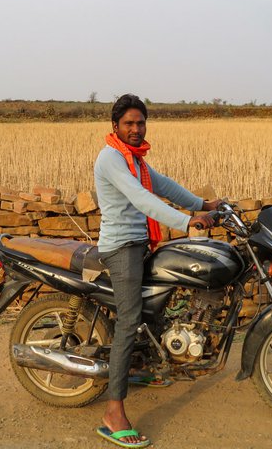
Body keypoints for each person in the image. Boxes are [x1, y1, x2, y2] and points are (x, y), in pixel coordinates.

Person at [93, 93, 220, 448]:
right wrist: (186, 221)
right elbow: (142, 199)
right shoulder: (112, 159)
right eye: (129, 123)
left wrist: (204, 204)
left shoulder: (137, 160)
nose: (136, 129)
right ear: (115, 126)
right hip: (121, 247)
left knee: (158, 302)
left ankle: (137, 367)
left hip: (141, 243)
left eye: (141, 122)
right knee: (130, 319)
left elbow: (162, 185)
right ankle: (113, 412)